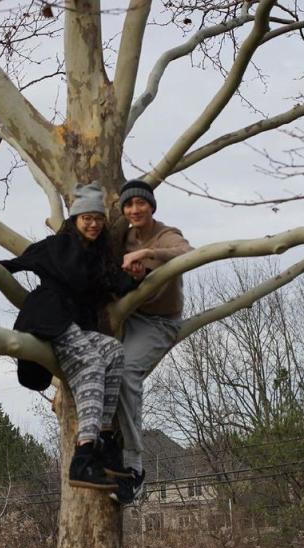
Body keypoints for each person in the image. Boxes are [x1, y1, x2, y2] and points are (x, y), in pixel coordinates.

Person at [0, 183, 139, 491]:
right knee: (91, 364)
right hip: (48, 319)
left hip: (77, 328)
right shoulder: (56, 246)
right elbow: (15, 264)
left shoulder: (99, 257)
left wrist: (138, 273)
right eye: (87, 218)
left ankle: (105, 443)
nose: (94, 224)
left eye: (98, 218)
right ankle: (83, 456)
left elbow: (116, 283)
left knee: (112, 351)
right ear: (75, 218)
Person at [109, 179, 195, 504]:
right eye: (129, 205)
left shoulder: (164, 234)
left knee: (126, 372)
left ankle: (134, 466)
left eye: (140, 204)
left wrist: (148, 253)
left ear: (151, 206)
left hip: (158, 323)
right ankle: (103, 452)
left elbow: (187, 252)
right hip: (125, 316)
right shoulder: (122, 236)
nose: (134, 210)